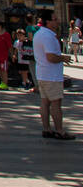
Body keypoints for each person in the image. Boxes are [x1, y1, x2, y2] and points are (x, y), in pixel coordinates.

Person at [32, 10, 75, 139]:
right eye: (55, 19)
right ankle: (60, 130)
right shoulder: (48, 36)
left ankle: (46, 129)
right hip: (51, 75)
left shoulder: (39, 34)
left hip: (42, 73)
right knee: (56, 104)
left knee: (45, 102)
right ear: (48, 22)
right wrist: (63, 58)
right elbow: (51, 57)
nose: (57, 21)